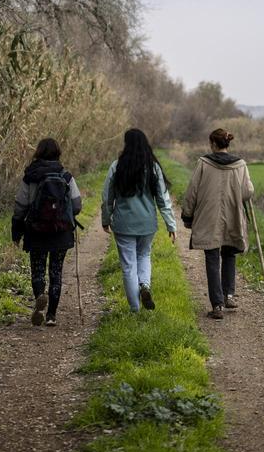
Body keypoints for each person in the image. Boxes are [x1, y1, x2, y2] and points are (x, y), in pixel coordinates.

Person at [181, 128, 254, 320]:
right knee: (229, 253)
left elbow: (192, 192)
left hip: (208, 217)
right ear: (227, 144)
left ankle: (218, 305)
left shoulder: (203, 163)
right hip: (232, 216)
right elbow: (247, 192)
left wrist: (187, 215)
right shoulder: (240, 165)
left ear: (213, 144)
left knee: (212, 258)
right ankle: (229, 294)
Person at [101, 129, 177, 312]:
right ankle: (144, 285)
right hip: (147, 224)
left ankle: (135, 309)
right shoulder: (153, 167)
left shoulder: (117, 166)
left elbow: (107, 196)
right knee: (144, 256)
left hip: (123, 224)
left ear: (126, 144)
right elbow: (163, 198)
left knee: (128, 266)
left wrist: (106, 219)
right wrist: (171, 224)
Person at [12, 138, 83, 327]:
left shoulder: (30, 176)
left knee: (38, 269)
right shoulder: (66, 176)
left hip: (36, 231)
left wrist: (16, 229)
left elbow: (20, 206)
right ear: (58, 153)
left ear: (38, 153)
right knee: (56, 272)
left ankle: (39, 298)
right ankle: (51, 315)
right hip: (61, 232)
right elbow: (77, 205)